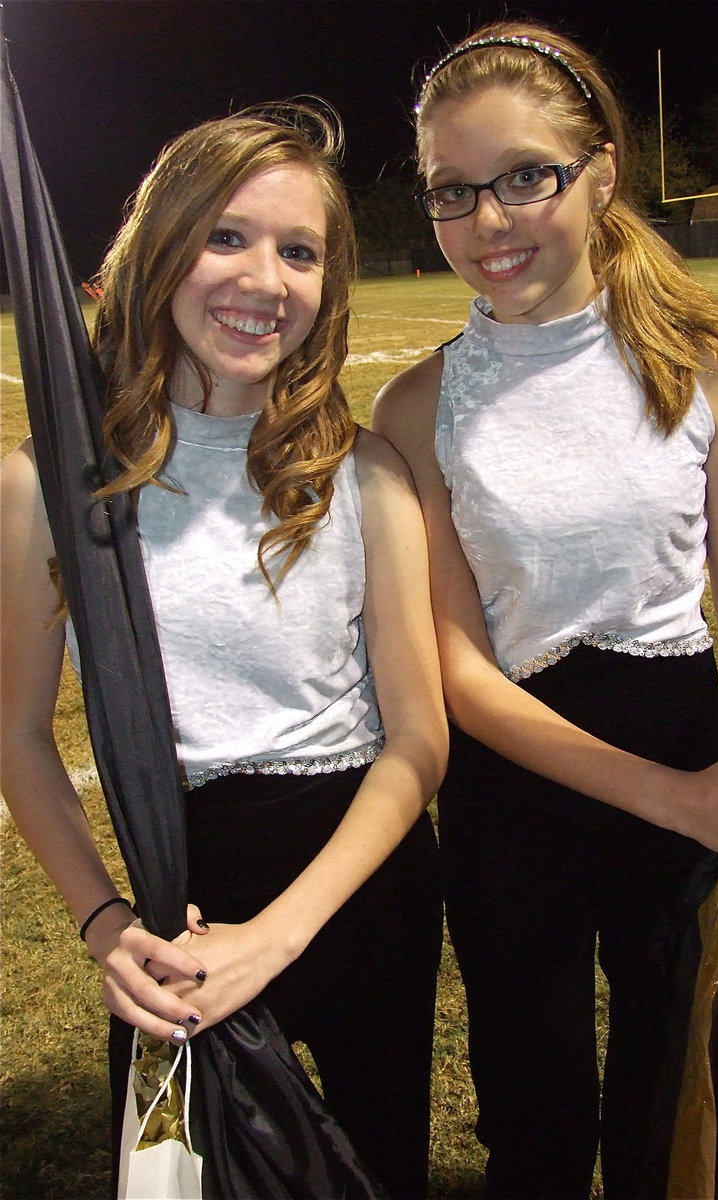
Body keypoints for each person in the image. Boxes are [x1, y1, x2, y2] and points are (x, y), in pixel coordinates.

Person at [373, 21, 718, 1200]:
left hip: (676, 738)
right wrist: (676, 797)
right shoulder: (416, 409)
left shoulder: (705, 360)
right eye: (454, 192)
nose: (492, 221)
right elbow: (461, 674)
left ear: (602, 174)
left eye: (527, 176)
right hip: (512, 789)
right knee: (534, 1107)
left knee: (661, 1094)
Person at [1, 103, 447, 1199]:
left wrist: (285, 934)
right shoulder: (47, 484)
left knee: (371, 1166)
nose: (266, 278)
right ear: (160, 250)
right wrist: (108, 926)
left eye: (301, 251)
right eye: (227, 236)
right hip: (174, 896)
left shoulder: (369, 476)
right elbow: (14, 732)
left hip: (357, 883)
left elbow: (417, 744)